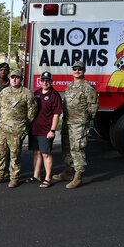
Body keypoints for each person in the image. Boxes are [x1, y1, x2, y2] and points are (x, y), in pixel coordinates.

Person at [52, 60, 99, 189]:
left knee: (77, 149)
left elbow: (93, 107)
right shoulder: (70, 86)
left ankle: (78, 176)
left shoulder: (88, 88)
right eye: (75, 69)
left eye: (80, 69)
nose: (77, 71)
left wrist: (85, 120)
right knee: (66, 148)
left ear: (84, 71)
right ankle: (68, 172)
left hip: (79, 124)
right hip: (67, 122)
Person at [0, 70, 37, 188]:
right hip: (2, 127)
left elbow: (32, 111)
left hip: (17, 129)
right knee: (0, 152)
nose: (14, 80)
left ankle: (14, 178)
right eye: (12, 77)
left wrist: (23, 125)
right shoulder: (4, 92)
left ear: (21, 79)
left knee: (15, 155)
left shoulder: (27, 93)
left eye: (17, 78)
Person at [28, 72, 63, 188]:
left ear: (51, 82)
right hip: (35, 129)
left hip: (46, 130)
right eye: (43, 80)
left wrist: (52, 130)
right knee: (36, 152)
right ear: (40, 81)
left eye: (47, 80)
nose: (45, 82)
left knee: (45, 154)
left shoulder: (55, 95)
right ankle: (36, 175)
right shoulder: (36, 93)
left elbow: (56, 114)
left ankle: (47, 178)